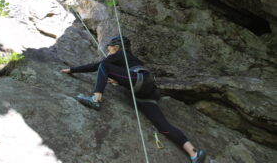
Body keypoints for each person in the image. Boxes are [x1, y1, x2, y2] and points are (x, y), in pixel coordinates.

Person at [61, 35, 206, 163]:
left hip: (139, 81)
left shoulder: (121, 53)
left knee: (104, 65)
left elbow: (98, 66)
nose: (108, 50)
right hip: (147, 91)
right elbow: (128, 73)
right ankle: (193, 154)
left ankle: (96, 99)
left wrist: (73, 70)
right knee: (163, 126)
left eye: (109, 48)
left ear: (116, 47)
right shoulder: (133, 60)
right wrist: (119, 80)